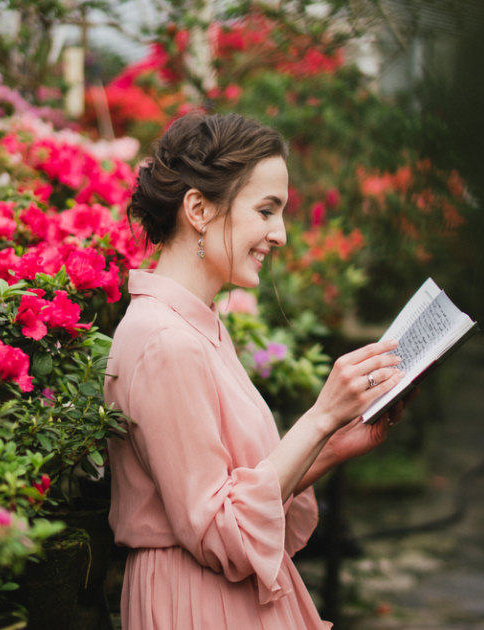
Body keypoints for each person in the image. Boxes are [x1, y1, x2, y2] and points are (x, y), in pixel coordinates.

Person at [104, 112, 412, 629]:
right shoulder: (166, 342)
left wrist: (333, 443)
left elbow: (238, 492)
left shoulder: (195, 325)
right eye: (267, 210)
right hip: (196, 602)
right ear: (198, 209)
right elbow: (217, 530)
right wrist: (319, 416)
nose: (281, 234)